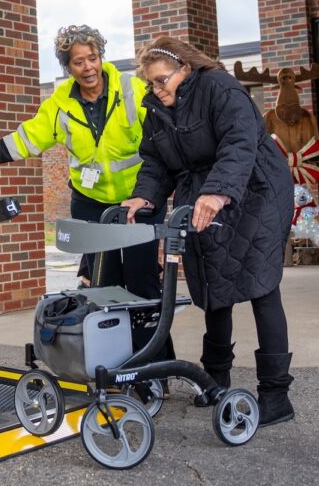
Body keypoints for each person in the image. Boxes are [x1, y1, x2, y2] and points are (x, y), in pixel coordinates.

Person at [121, 36, 296, 426]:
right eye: (151, 83)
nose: (157, 89)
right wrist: (143, 198)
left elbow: (239, 142)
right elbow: (155, 162)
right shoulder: (157, 108)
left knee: (261, 284)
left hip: (256, 190)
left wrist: (218, 191)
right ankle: (215, 379)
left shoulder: (219, 87)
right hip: (204, 193)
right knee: (214, 285)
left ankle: (275, 394)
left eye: (163, 80)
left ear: (186, 69)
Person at [0, 24, 164, 303]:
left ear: (101, 58)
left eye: (93, 58)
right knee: (103, 284)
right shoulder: (59, 104)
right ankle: (112, 341)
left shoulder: (131, 89)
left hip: (138, 201)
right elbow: (25, 140)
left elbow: (164, 134)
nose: (88, 67)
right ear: (68, 67)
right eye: (78, 62)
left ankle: (151, 343)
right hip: (92, 203)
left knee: (142, 279)